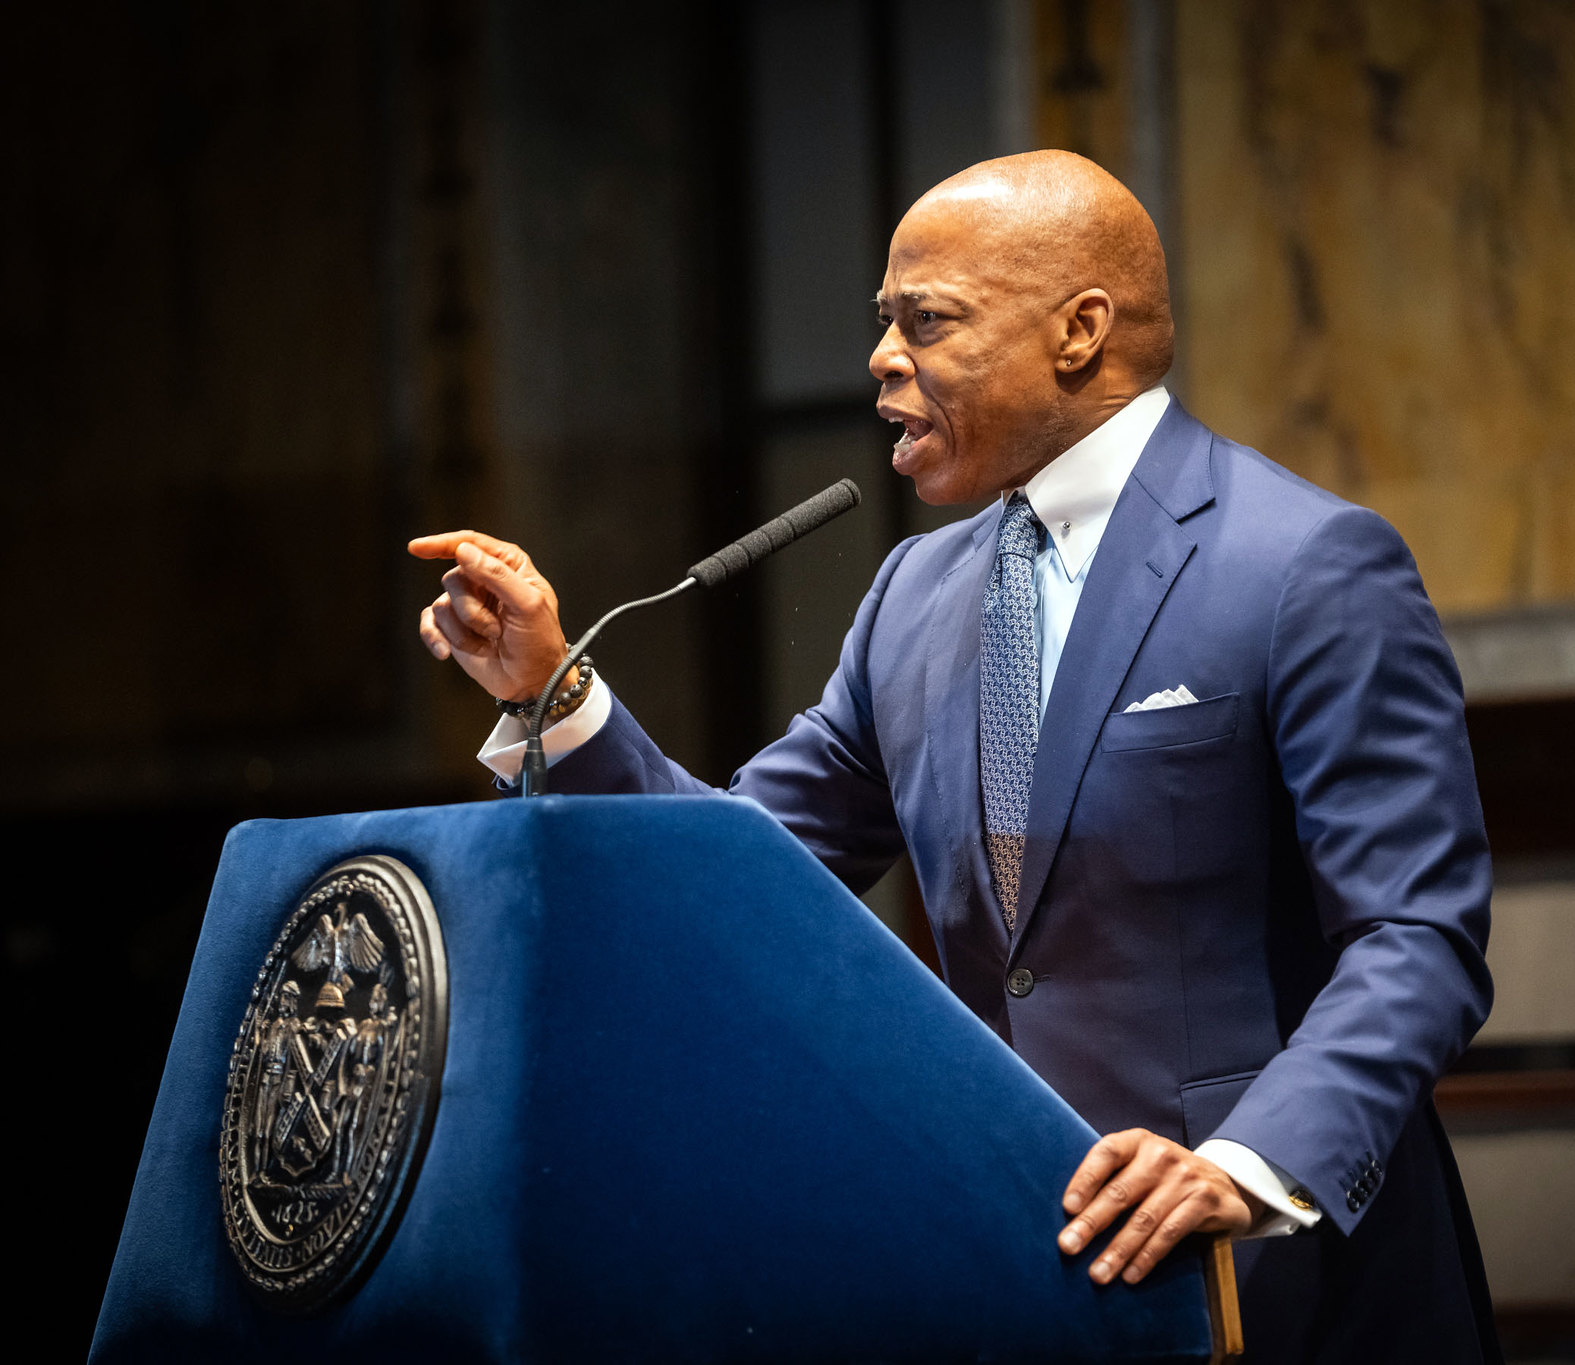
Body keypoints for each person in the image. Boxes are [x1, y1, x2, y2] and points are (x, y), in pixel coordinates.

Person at [411, 150, 1499, 1364]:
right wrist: (551, 691)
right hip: (1013, 1268)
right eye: (882, 321)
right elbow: (733, 873)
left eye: (923, 322)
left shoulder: (1305, 564)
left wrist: (1243, 1164)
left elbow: (1415, 940)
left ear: (1078, 331)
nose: (880, 358)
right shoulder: (911, 594)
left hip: (1289, 1287)